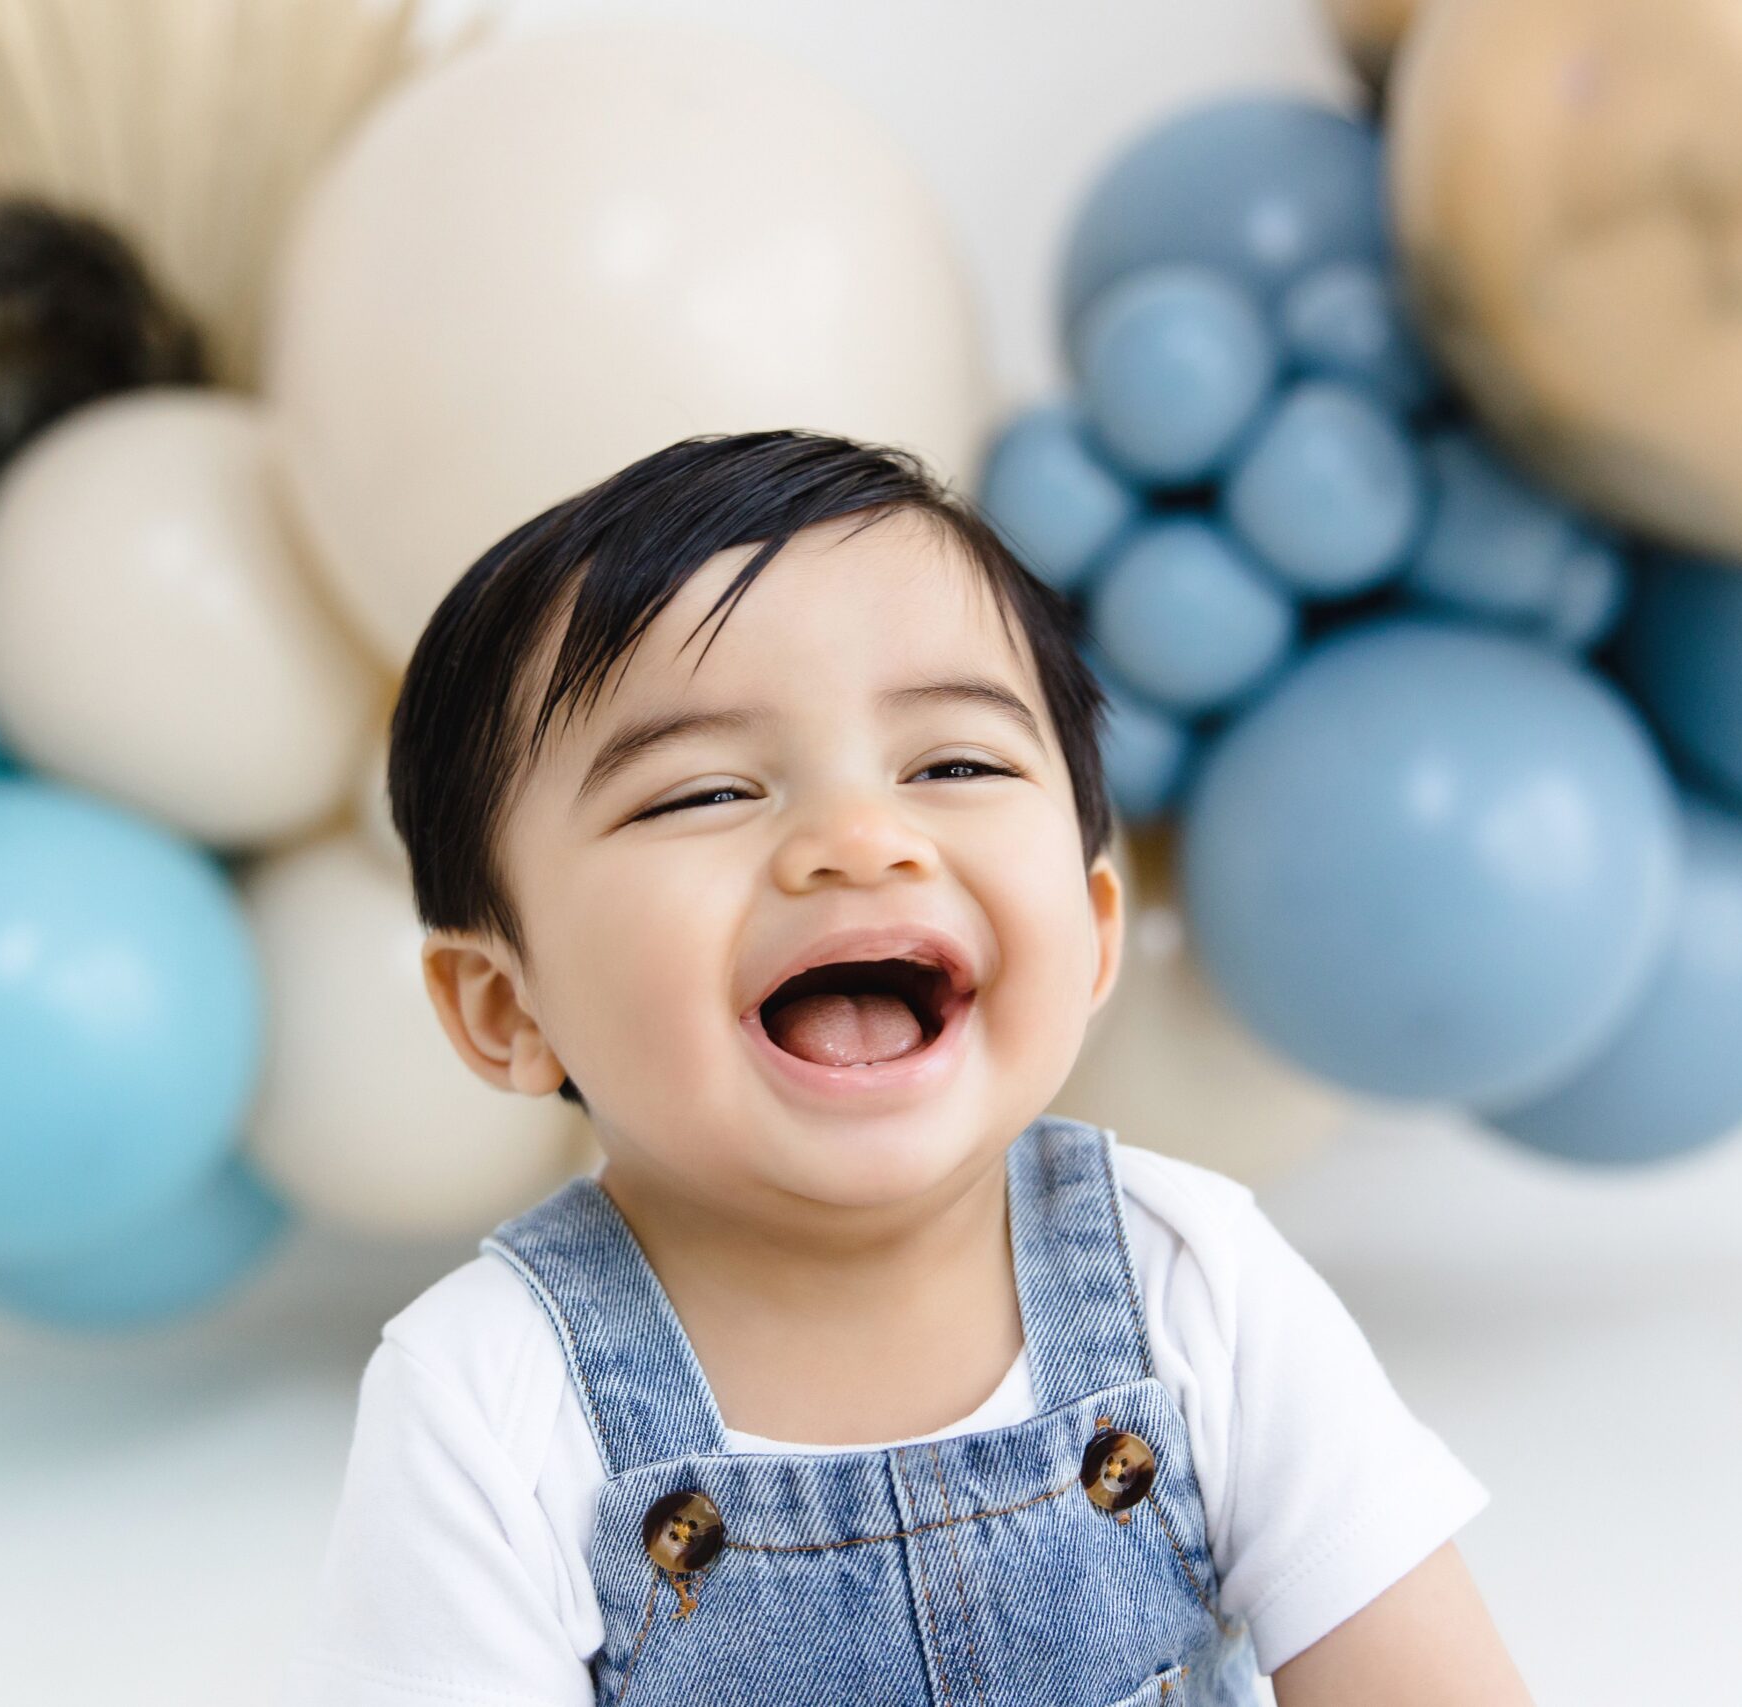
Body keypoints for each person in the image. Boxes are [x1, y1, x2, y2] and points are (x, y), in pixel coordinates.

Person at [279, 430, 1532, 1705]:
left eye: (954, 765)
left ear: (1094, 932)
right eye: (703, 792)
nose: (857, 840)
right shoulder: (491, 1398)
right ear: (505, 1005)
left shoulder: (1193, 1286)